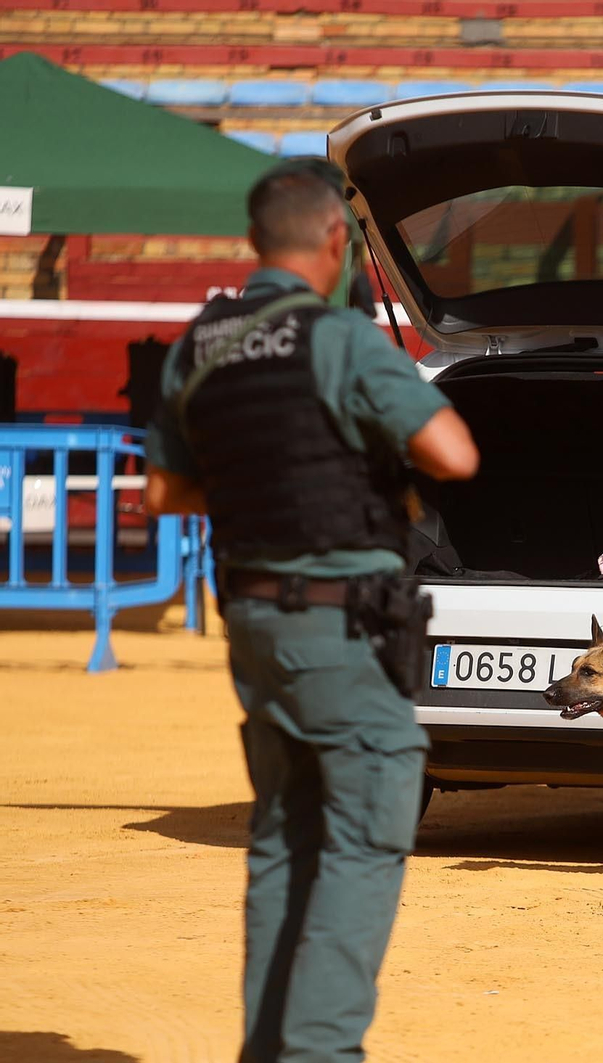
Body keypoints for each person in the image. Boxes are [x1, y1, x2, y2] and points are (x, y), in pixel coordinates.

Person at [143, 160, 479, 1060]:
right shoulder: (339, 339)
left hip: (252, 624)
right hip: (338, 623)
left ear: (256, 240)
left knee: (285, 838)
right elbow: (453, 451)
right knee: (367, 827)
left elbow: (163, 493)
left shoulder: (201, 341)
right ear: (336, 243)